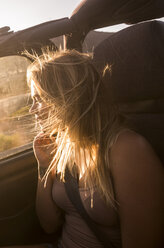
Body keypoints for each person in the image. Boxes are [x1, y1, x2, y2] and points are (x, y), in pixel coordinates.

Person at [26, 50, 163, 248]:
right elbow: (49, 225)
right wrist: (44, 167)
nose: (32, 110)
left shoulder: (126, 150)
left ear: (66, 97)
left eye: (39, 99)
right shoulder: (64, 145)